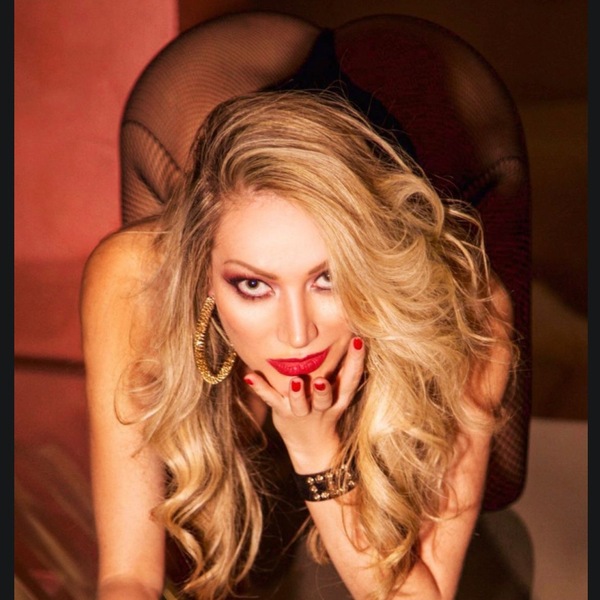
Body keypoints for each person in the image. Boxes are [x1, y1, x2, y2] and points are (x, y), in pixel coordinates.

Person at [80, 89, 515, 600]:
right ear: (202, 275)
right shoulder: (133, 282)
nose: (297, 333)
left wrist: (316, 453)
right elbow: (127, 576)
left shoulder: (469, 310)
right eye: (253, 285)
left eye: (328, 278)